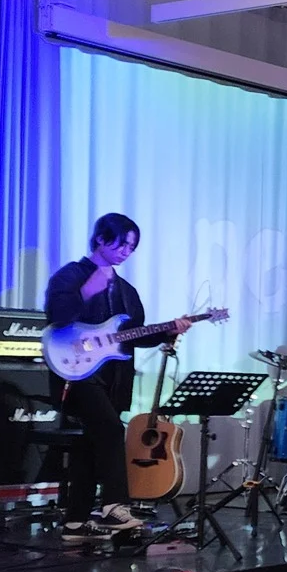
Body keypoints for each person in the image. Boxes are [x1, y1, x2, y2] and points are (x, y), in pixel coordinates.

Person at [44, 213, 189, 543]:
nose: (126, 251)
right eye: (122, 243)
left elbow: (132, 336)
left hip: (115, 378)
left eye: (132, 247)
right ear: (100, 238)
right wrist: (86, 292)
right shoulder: (70, 275)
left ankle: (75, 522)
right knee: (111, 430)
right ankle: (114, 505)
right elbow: (57, 317)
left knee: (89, 444)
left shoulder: (126, 291)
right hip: (75, 374)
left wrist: (168, 331)